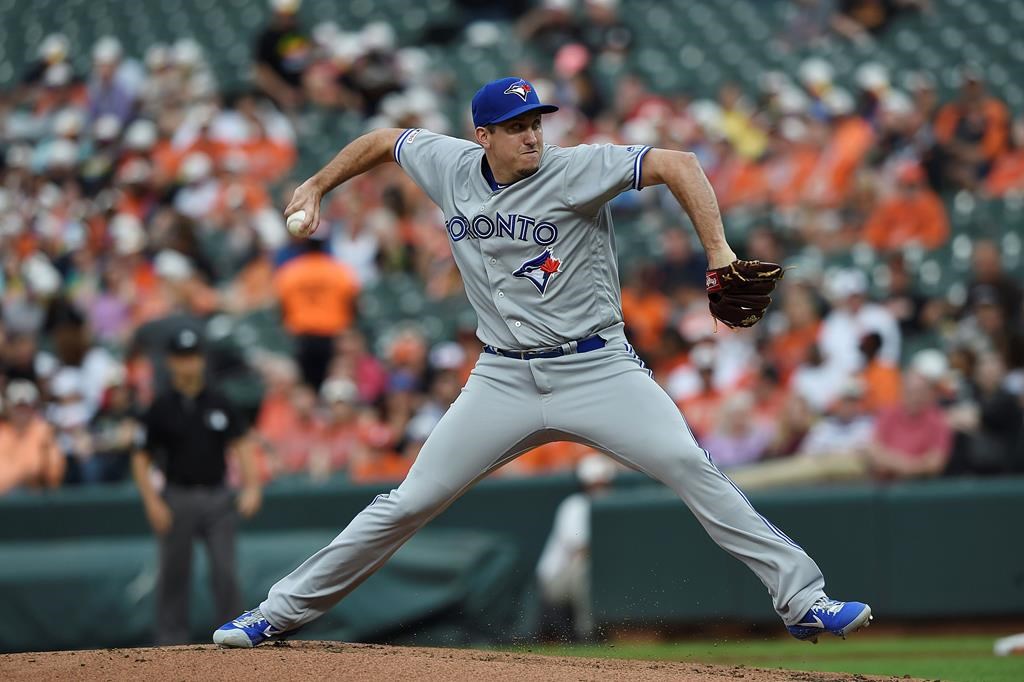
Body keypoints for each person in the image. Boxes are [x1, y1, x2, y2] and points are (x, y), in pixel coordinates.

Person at [214, 76, 871, 648]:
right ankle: (275, 614)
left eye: (535, 123)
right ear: (483, 137)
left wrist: (719, 252)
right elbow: (388, 139)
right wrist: (318, 182)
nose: (532, 136)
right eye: (515, 127)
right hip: (502, 376)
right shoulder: (447, 165)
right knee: (409, 500)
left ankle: (803, 601)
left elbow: (678, 162)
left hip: (597, 369)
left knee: (691, 468)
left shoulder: (576, 168)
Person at [132, 328, 262, 645]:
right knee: (173, 573)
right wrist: (152, 501)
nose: (187, 364)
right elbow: (141, 457)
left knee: (225, 572)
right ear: (171, 362)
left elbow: (242, 444)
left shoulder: (219, 401)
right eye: (181, 358)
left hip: (217, 496)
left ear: (201, 361)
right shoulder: (160, 406)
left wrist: (252, 487)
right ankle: (170, 642)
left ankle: (233, 636)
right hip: (177, 496)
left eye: (192, 357)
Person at [535, 453, 617, 643]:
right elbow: (580, 549)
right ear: (586, 484)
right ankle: (587, 634)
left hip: (587, 575)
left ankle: (621, 630)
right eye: (595, 484)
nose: (600, 488)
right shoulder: (574, 506)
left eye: (603, 483)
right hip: (555, 581)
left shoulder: (613, 506)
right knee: (584, 567)